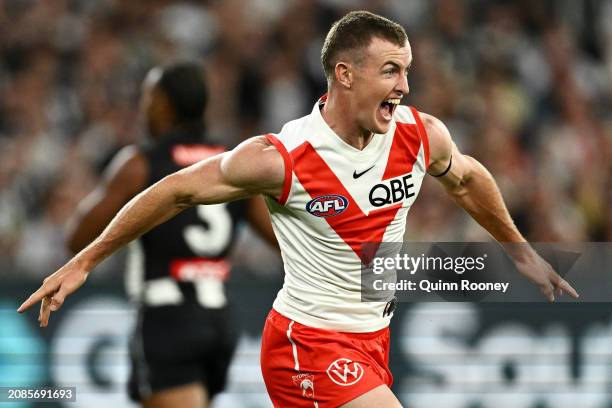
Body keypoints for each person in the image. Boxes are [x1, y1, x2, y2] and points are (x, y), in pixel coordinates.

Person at [19, 11, 578, 408]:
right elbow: (174, 190)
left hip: (373, 340)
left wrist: (518, 248)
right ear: (344, 74)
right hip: (306, 344)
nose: (405, 86)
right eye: (390, 71)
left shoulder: (419, 135)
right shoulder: (282, 158)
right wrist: (85, 261)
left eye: (406, 71)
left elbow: (468, 179)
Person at [63, 62, 277, 408]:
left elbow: (77, 237)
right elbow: (284, 241)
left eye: (148, 98)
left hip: (168, 317)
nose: (143, 106)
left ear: (162, 103)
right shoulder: (232, 165)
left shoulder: (140, 164)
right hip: (219, 318)